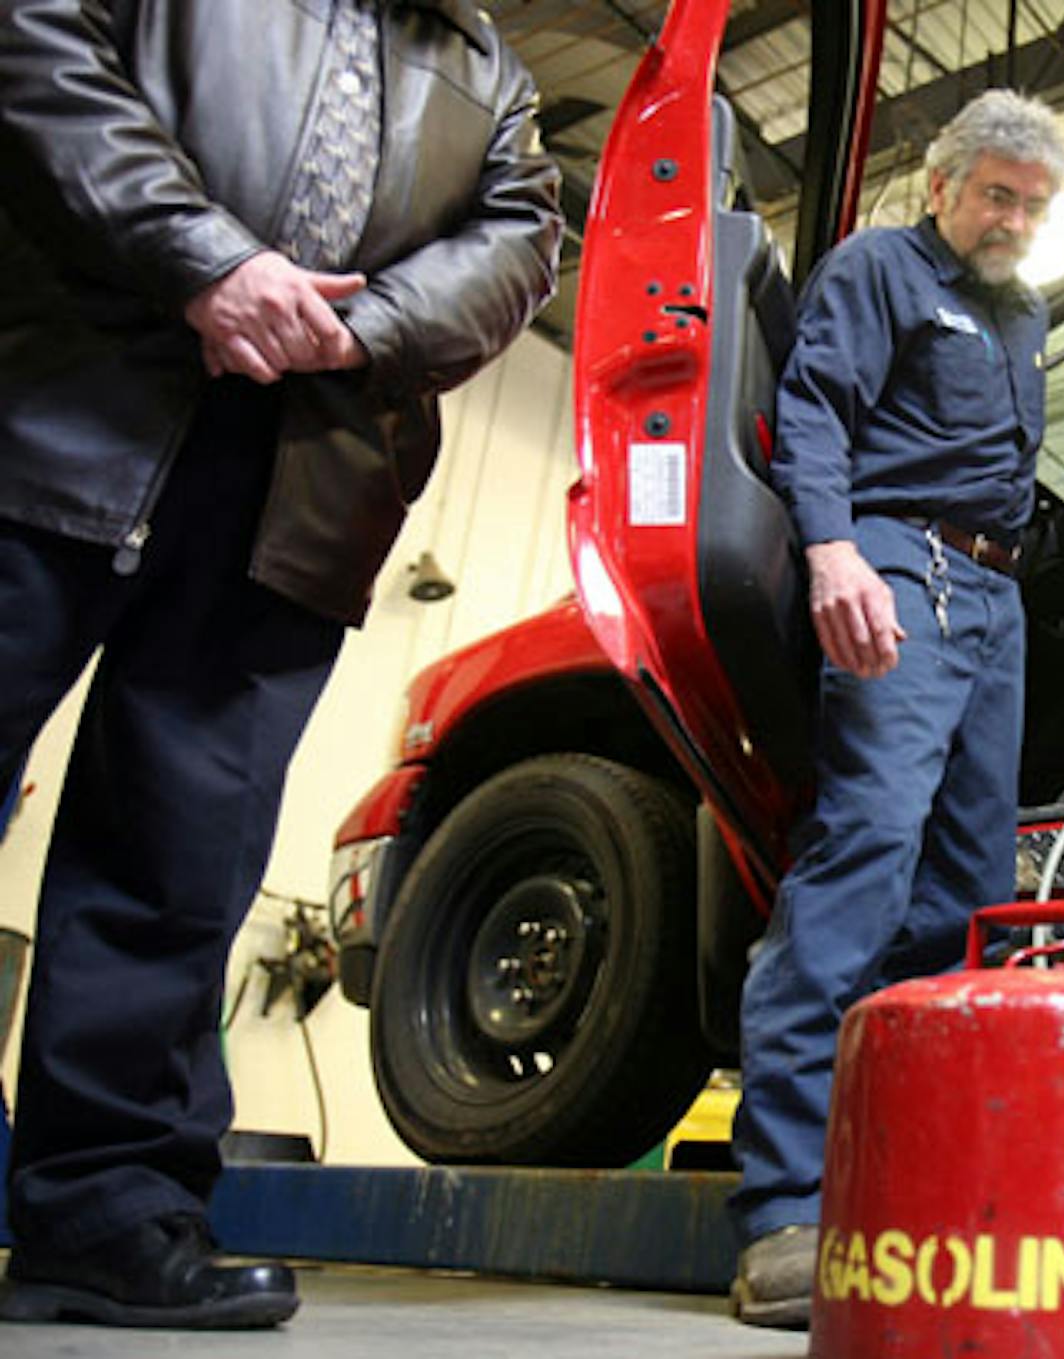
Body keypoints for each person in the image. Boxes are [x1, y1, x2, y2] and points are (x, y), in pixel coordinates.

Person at [0, 0, 560, 1330]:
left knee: (176, 860)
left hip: (300, 481)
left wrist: (358, 330)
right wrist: (200, 261)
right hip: (53, 404)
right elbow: (37, 47)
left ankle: (104, 1208)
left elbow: (526, 238)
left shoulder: (491, 73)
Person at [728, 88, 1064, 1328]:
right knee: (865, 851)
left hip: (994, 600)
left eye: (1033, 205)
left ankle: (907, 1184)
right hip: (900, 570)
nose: (1014, 220)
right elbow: (815, 412)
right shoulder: (881, 267)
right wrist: (833, 553)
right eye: (996, 195)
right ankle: (780, 1207)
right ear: (943, 186)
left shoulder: (1020, 309)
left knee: (969, 893)